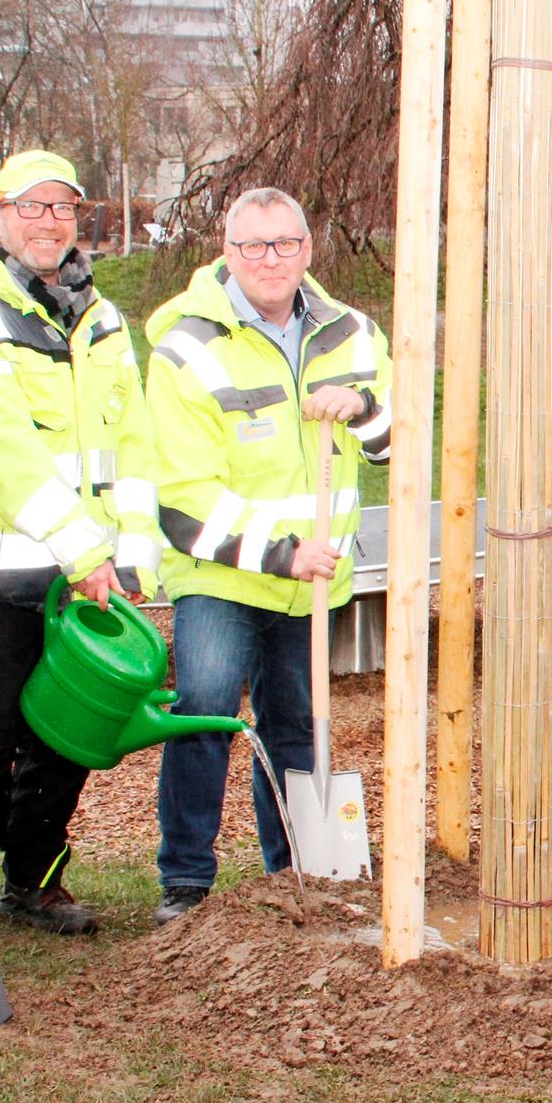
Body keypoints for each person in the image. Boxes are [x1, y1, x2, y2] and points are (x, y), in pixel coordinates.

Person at [0, 150, 161, 934]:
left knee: (65, 733)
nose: (49, 221)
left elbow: (131, 439)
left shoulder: (102, 318)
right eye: (31, 206)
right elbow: (3, 449)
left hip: (81, 569)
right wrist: (85, 552)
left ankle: (36, 880)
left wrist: (127, 555)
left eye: (63, 208)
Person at [146, 187, 391, 923]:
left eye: (285, 244)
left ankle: (295, 869)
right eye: (252, 246)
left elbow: (399, 445)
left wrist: (366, 409)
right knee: (206, 711)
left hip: (310, 584)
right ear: (226, 253)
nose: (270, 259)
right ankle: (185, 882)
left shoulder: (351, 332)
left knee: (295, 725)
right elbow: (182, 498)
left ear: (308, 249)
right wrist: (282, 554)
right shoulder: (186, 346)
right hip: (223, 574)